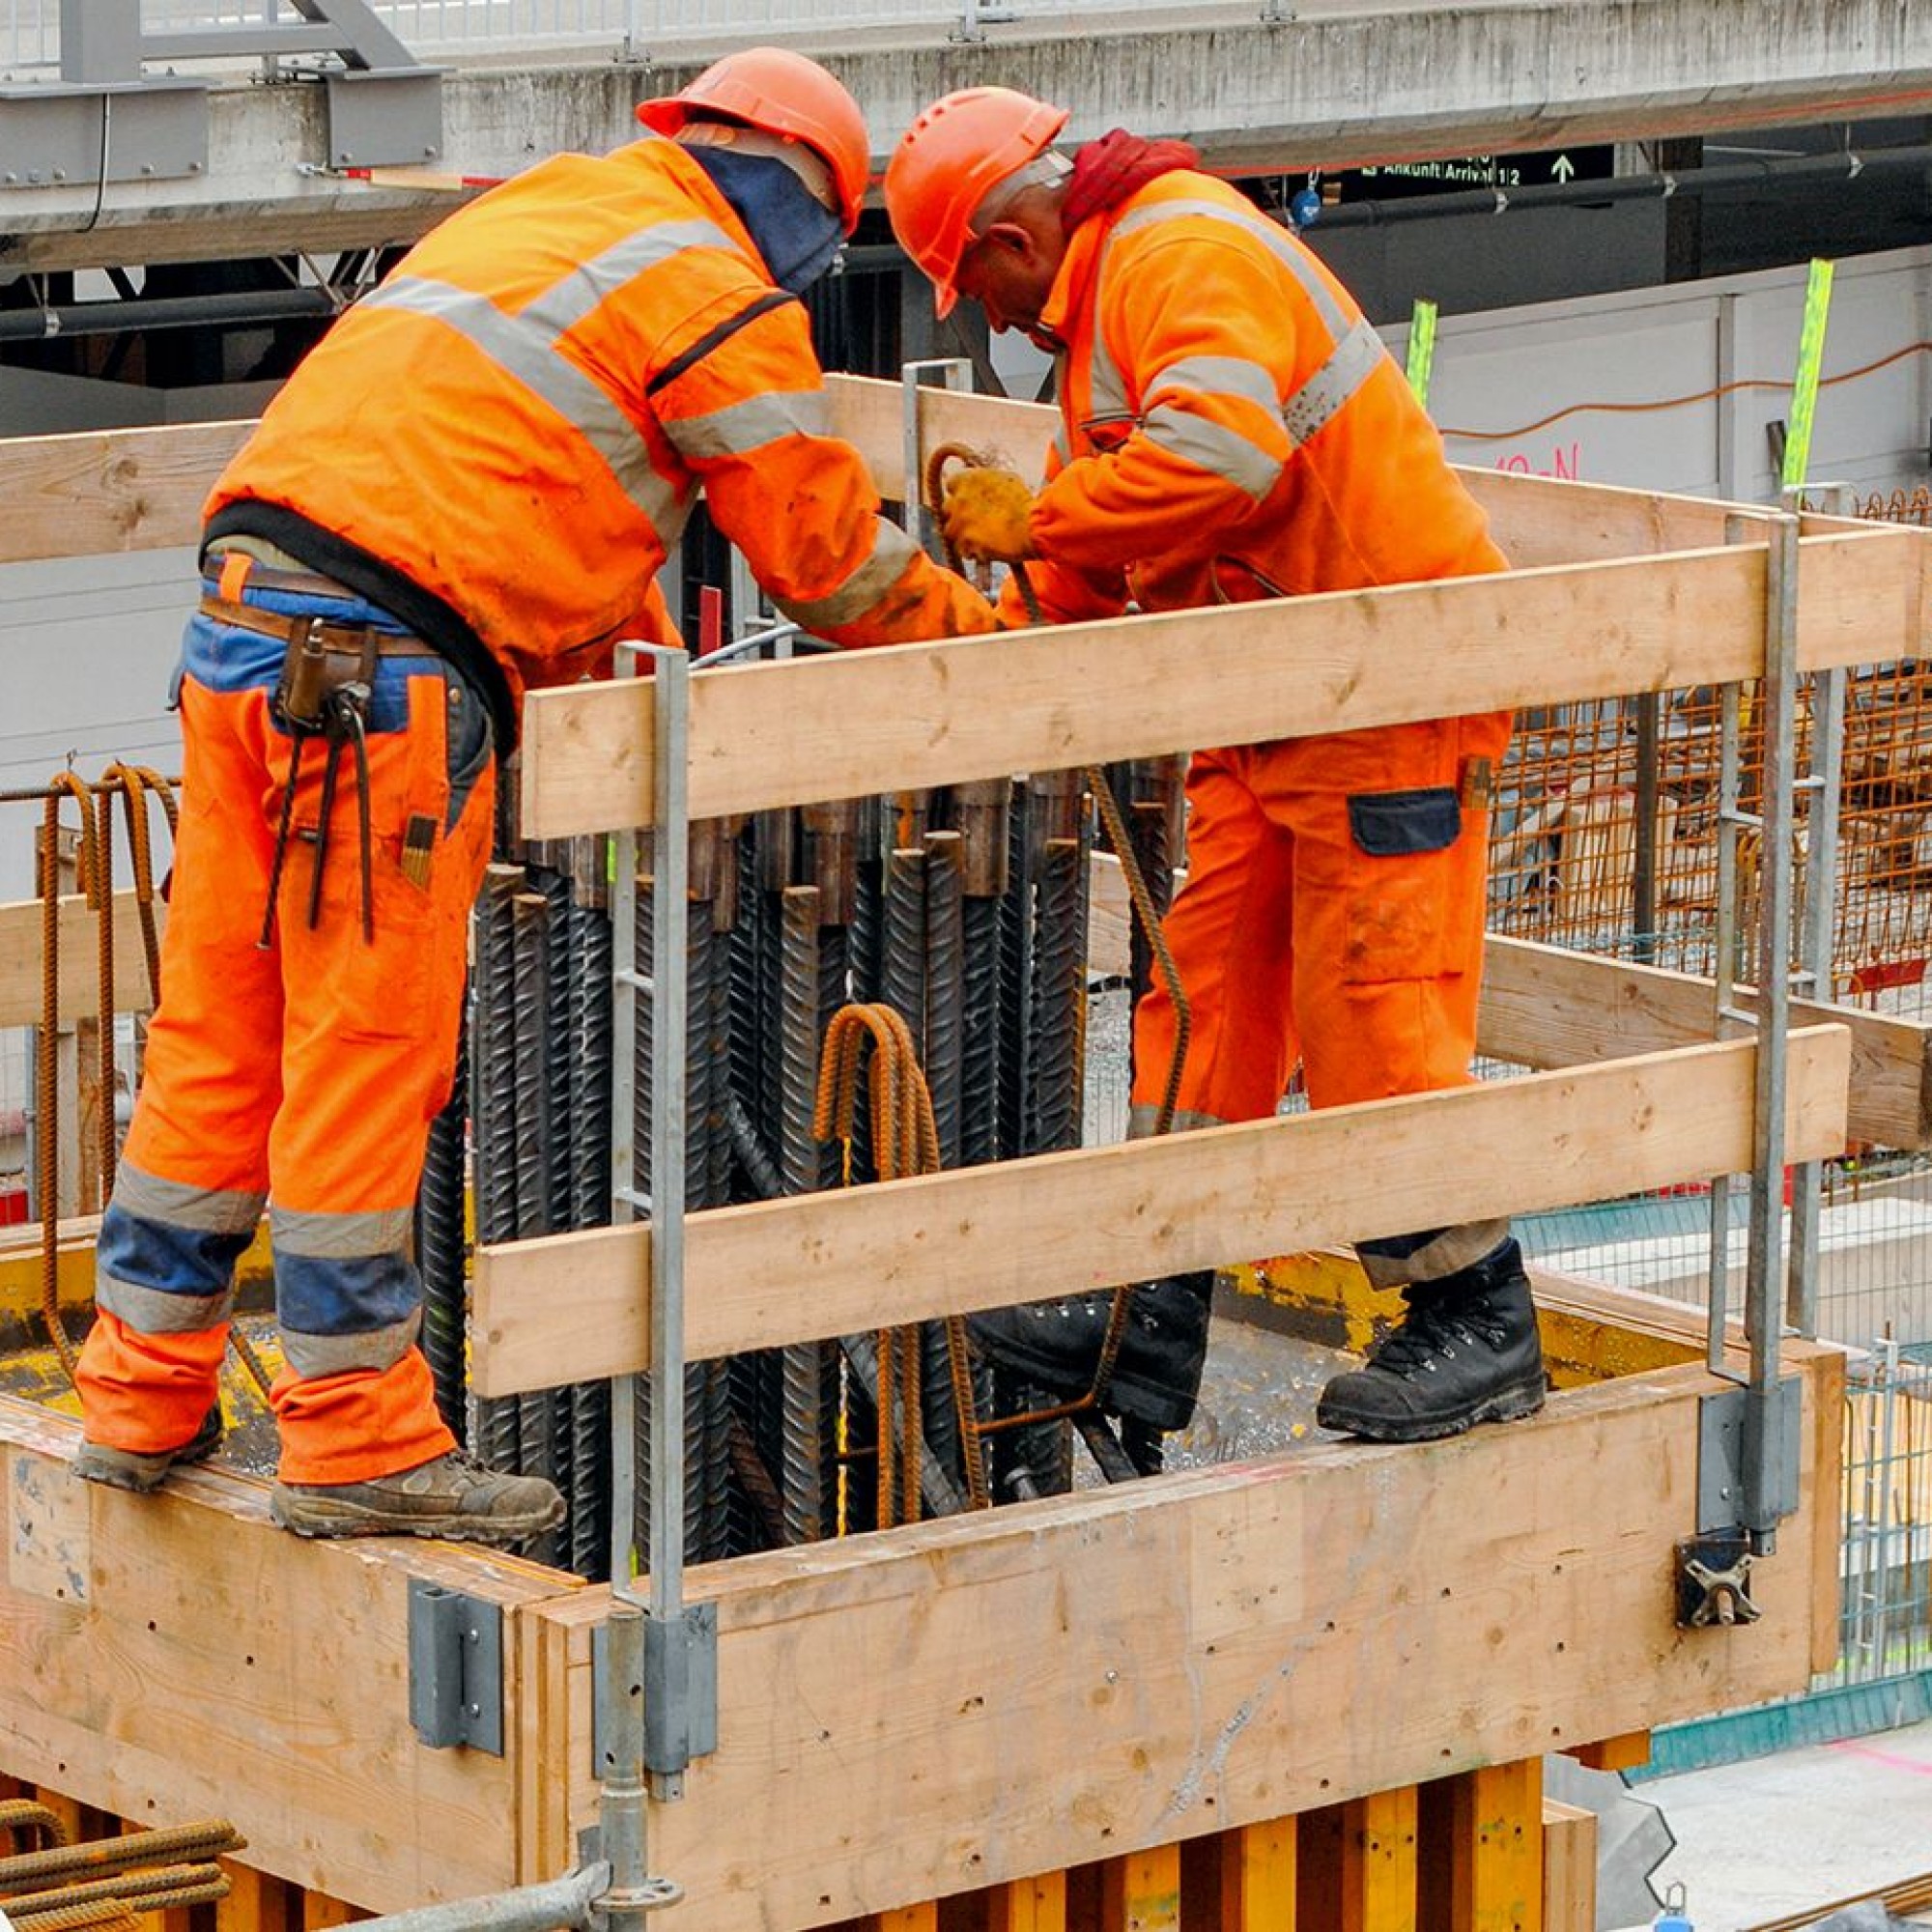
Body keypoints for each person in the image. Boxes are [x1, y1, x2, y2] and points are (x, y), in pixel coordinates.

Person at [71, 48, 999, 1543]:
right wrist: (1005, 645)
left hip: (245, 621)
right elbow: (831, 570)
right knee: (367, 1046)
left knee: (219, 1029)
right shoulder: (718, 292)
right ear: (808, 207)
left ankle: (138, 1392)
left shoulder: (555, 212)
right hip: (380, 676)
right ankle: (356, 1438)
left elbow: (528, 499)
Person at [883, 87, 1546, 1446]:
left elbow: (1221, 454)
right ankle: (1150, 1315)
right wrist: (983, 640)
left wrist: (1041, 516)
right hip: (1270, 694)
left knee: (1372, 1004)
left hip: (1387, 680)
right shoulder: (1100, 316)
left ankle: (1479, 1315)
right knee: (1200, 999)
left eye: (978, 286)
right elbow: (1101, 547)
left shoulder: (1180, 253)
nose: (986, 318)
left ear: (1014, 234)